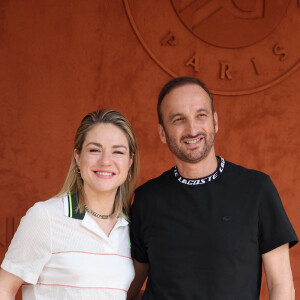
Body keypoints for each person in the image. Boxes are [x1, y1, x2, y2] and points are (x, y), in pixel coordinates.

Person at [128, 77, 298, 300]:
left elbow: (282, 286)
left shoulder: (257, 189)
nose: (192, 129)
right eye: (178, 119)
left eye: (201, 115)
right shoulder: (146, 199)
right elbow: (125, 287)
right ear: (162, 132)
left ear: (215, 122)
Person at [0, 109, 139, 299]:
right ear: (78, 157)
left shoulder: (132, 226)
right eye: (94, 150)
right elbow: (4, 288)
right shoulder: (45, 217)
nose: (106, 161)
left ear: (130, 162)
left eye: (118, 152)